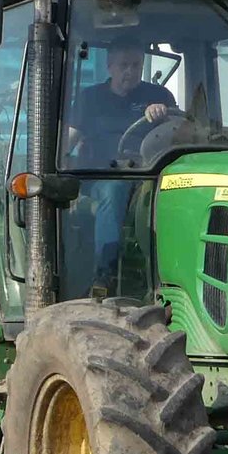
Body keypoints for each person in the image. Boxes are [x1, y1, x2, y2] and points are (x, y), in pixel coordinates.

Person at [65, 41, 176, 288]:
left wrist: (164, 115)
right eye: (123, 65)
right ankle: (106, 273)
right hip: (101, 176)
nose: (130, 71)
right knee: (114, 189)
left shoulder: (159, 96)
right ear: (109, 67)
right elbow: (68, 141)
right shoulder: (91, 99)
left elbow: (180, 134)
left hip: (150, 174)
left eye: (136, 65)